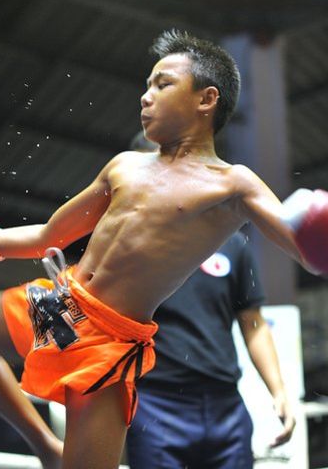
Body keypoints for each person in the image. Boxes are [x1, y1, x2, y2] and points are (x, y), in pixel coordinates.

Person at [0, 29, 328, 469]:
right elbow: (48, 237)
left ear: (206, 98)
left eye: (163, 83)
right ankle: (44, 445)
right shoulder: (124, 167)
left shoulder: (232, 183)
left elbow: (305, 247)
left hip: (112, 343)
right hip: (61, 305)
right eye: (146, 85)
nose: (146, 95)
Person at [124, 132, 294, 468]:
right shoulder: (125, 242)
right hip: (155, 402)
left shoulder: (231, 242)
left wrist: (279, 391)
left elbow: (254, 323)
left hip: (225, 404)